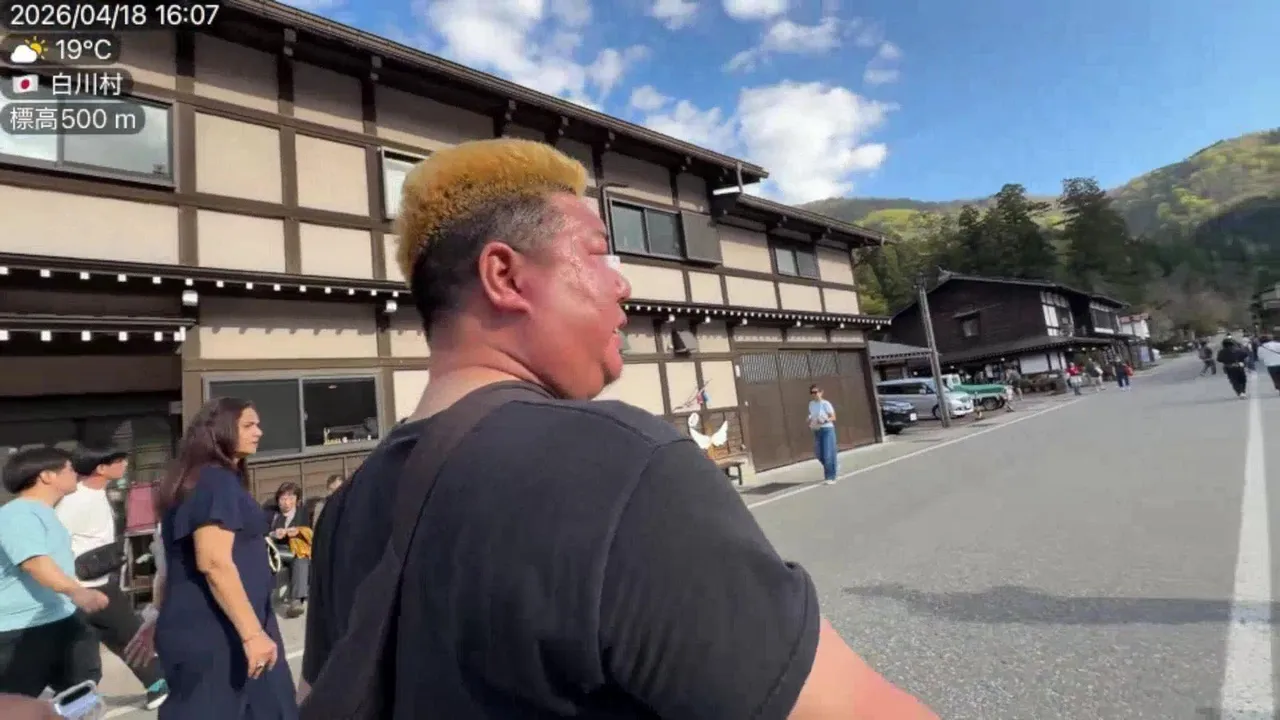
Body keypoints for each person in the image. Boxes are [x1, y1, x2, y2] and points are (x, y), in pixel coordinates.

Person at [300, 139, 936, 718]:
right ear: (506, 277)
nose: (623, 282)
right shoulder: (620, 464)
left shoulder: (344, 513)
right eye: (597, 251)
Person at [150, 398, 297, 719]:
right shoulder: (215, 482)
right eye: (248, 425)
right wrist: (252, 634)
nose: (259, 432)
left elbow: (171, 562)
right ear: (220, 430)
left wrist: (156, 614)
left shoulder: (194, 481)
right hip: (221, 630)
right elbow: (212, 561)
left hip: (218, 623)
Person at [56, 446, 169, 709]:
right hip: (80, 588)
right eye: (118, 460)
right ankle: (80, 704)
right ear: (100, 468)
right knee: (88, 651)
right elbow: (56, 539)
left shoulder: (102, 493)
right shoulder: (73, 500)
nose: (125, 464)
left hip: (102, 581)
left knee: (127, 636)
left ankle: (156, 685)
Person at [0, 447, 107, 698]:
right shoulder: (18, 514)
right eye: (69, 468)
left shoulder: (46, 513)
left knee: (83, 686)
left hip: (61, 617)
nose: (76, 473)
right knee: (16, 704)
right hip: (22, 628)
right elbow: (34, 563)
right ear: (46, 476)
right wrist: (76, 591)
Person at [266, 483, 312, 619]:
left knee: (301, 558)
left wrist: (297, 531)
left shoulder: (303, 513)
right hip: (276, 550)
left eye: (291, 498)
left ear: (297, 500)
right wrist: (274, 534)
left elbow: (308, 532)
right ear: (278, 500)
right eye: (283, 499)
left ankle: (296, 601)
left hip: (296, 550)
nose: (287, 503)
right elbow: (263, 532)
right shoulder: (271, 513)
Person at [807, 384, 839, 485]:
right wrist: (810, 418)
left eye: (816, 392)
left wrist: (824, 420)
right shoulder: (811, 404)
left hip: (827, 429)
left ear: (821, 392)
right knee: (819, 454)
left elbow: (833, 417)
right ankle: (833, 465)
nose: (814, 394)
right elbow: (812, 415)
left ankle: (830, 477)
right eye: (812, 392)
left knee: (827, 454)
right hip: (817, 430)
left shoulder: (825, 403)